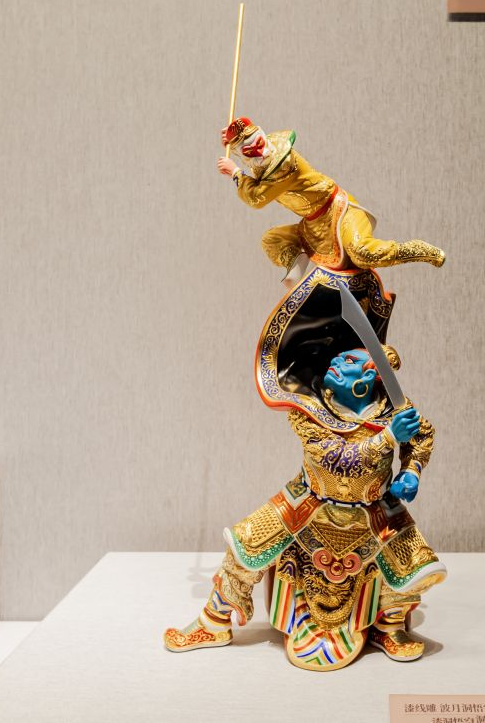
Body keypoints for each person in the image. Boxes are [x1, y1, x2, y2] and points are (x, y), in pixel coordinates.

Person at [164, 347, 446, 671]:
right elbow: (335, 459)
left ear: (370, 375)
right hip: (310, 501)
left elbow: (422, 436)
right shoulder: (308, 408)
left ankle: (388, 626)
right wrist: (388, 438)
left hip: (375, 506)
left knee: (416, 566)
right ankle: (214, 621)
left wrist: (412, 471)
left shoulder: (394, 407)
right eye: (338, 357)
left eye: (349, 360)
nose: (335, 361)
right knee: (245, 545)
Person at [217, 117, 446, 284]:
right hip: (313, 223)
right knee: (272, 240)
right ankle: (296, 264)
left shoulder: (283, 163)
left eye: (256, 144)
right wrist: (233, 140)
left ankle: (414, 249)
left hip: (339, 210)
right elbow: (256, 173)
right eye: (247, 151)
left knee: (363, 253)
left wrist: (235, 173)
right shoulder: (263, 161)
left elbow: (256, 198)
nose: (258, 152)